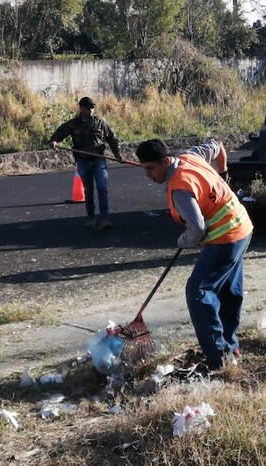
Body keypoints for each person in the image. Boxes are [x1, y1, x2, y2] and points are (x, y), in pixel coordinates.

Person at [135, 138, 253, 370]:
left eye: (151, 168)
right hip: (242, 227)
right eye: (144, 169)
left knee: (198, 291)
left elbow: (197, 228)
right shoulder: (191, 155)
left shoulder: (180, 187)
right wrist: (224, 172)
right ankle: (230, 346)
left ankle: (218, 358)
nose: (148, 175)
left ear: (166, 161)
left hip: (225, 237)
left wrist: (183, 240)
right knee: (229, 290)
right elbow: (217, 146)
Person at [48, 96, 122, 230]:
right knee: (88, 191)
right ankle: (91, 218)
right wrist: (54, 140)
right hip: (82, 160)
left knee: (101, 187)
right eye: (88, 108)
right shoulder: (73, 123)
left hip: (98, 159)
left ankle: (104, 218)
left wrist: (118, 155)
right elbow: (60, 132)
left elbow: (112, 138)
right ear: (81, 108)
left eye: (93, 108)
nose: (91, 111)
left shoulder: (101, 122)